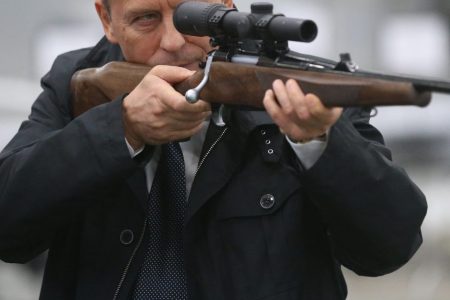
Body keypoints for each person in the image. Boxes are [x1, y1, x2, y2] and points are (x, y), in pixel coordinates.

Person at [0, 0, 427, 299]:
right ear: (106, 20)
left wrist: (320, 142)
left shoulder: (303, 89)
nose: (172, 41)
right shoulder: (78, 81)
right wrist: (120, 130)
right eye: (146, 19)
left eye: (192, 16)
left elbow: (390, 246)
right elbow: (9, 227)